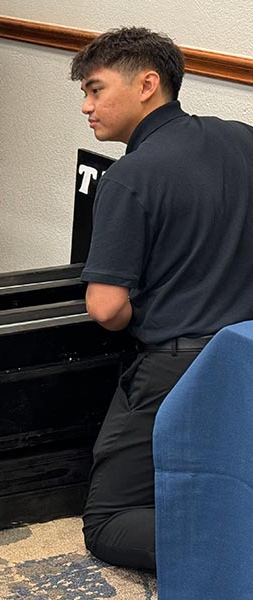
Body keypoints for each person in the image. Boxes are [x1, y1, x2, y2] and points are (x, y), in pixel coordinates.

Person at [70, 27, 253, 570]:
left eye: (97, 90)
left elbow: (105, 308)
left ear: (148, 84)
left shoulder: (129, 176)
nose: (86, 106)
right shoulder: (243, 139)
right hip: (244, 352)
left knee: (107, 522)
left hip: (179, 367)